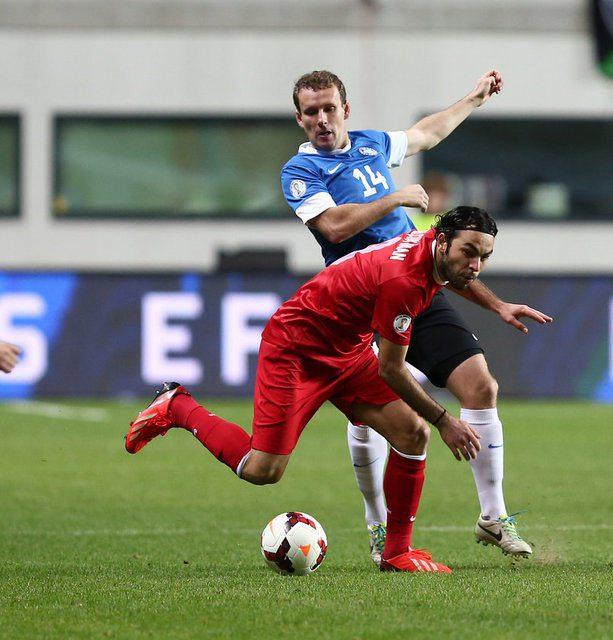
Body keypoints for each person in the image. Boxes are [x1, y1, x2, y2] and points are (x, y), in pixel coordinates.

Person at [126, 207, 502, 573]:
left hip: (348, 350)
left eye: (483, 257)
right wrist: (444, 420)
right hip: (296, 350)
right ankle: (177, 406)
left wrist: (498, 305)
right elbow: (391, 369)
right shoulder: (404, 280)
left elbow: (460, 277)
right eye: (468, 252)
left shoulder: (431, 251)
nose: (475, 265)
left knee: (412, 433)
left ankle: (397, 552)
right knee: (262, 469)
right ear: (441, 242)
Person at [281, 70, 552, 563]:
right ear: (299, 119)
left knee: (481, 387)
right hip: (360, 302)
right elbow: (335, 228)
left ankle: (493, 516)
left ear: (345, 109)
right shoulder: (300, 171)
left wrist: (472, 99)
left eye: (329, 108)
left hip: (417, 284)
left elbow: (427, 133)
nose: (322, 119)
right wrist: (395, 197)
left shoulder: (371, 144)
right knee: (371, 417)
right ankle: (378, 525)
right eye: (311, 112)